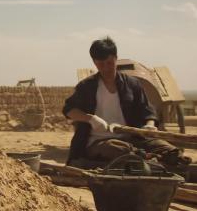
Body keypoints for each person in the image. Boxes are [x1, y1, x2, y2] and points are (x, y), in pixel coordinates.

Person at [63, 37, 190, 168]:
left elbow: (147, 110)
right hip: (99, 142)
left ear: (116, 58)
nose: (106, 68)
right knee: (121, 151)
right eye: (101, 64)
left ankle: (157, 161)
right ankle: (149, 161)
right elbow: (69, 110)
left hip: (132, 138)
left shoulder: (132, 84)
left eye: (109, 63)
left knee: (168, 149)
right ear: (94, 63)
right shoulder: (86, 86)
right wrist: (91, 118)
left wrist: (149, 125)